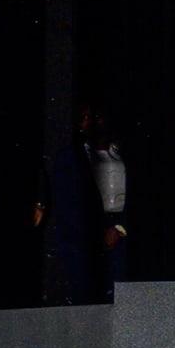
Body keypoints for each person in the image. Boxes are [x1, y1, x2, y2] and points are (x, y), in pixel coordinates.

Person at [33, 106, 128, 305]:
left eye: (97, 116)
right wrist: (95, 232)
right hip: (85, 236)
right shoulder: (70, 158)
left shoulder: (122, 154)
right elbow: (67, 204)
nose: (92, 122)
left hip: (119, 231)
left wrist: (119, 229)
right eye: (85, 118)